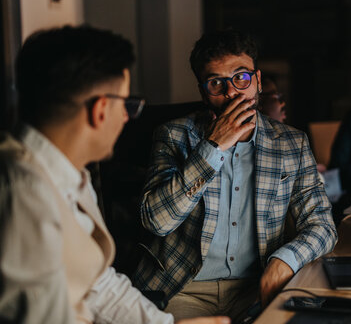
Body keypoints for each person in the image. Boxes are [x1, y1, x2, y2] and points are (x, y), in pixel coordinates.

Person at [0, 25, 228, 324]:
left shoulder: (70, 173)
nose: (126, 117)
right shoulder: (23, 192)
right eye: (127, 104)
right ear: (101, 109)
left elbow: (99, 284)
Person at [133, 29, 337, 322]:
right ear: (203, 91)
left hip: (254, 288)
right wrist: (212, 147)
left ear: (257, 81)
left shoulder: (292, 143)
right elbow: (157, 221)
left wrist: (284, 261)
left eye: (241, 77)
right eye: (216, 83)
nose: (231, 92)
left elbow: (322, 226)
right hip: (183, 290)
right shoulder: (173, 135)